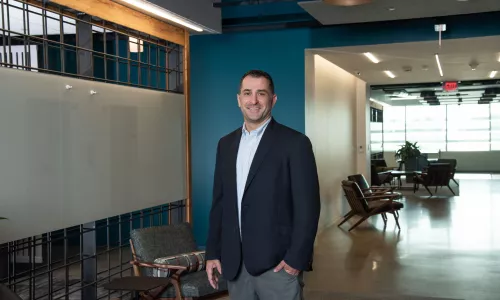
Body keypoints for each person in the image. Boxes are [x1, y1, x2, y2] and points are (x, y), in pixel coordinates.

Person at [205, 70, 321, 300]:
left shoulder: (295, 143)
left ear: (273, 99)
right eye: (247, 93)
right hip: (235, 266)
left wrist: (296, 259)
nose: (253, 100)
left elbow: (308, 207)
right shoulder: (225, 144)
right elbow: (220, 203)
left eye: (261, 93)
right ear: (239, 99)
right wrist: (213, 252)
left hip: (278, 266)